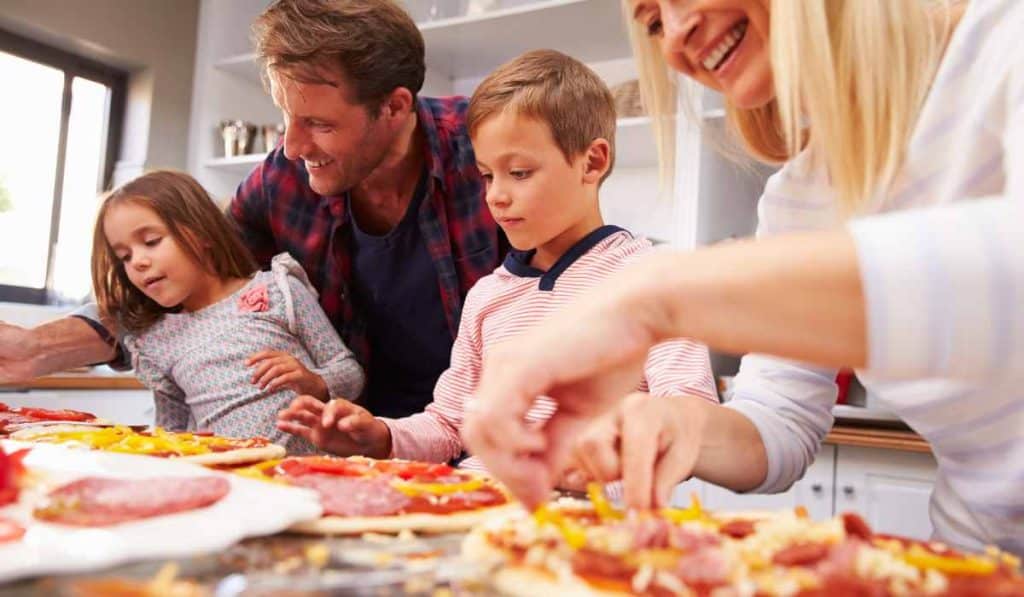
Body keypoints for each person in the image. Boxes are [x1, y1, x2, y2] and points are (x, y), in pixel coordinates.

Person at [462, 0, 1024, 556]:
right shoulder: (801, 193)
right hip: (977, 558)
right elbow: (779, 421)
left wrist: (655, 297)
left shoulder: (1005, 38)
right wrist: (673, 421)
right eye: (655, 22)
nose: (677, 37)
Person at [0, 0, 505, 420]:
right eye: (286, 118)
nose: (291, 146)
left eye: (318, 124)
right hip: (353, 438)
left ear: (395, 107)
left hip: (486, 428)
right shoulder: (281, 183)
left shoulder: (490, 149)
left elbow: (570, 284)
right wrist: (38, 348)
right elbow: (184, 275)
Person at [275, 49, 717, 473]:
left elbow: (689, 411)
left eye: (519, 173)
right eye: (487, 175)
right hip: (478, 505)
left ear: (592, 162)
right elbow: (450, 425)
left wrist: (604, 444)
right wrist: (382, 437)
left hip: (587, 524)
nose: (496, 195)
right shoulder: (489, 295)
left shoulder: (652, 279)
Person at [92, 170, 364, 453]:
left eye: (151, 241)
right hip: (232, 482)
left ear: (202, 233)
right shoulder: (156, 339)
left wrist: (315, 383)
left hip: (308, 478)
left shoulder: (278, 291)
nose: (138, 262)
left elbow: (350, 373)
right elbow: (170, 435)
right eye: (125, 256)